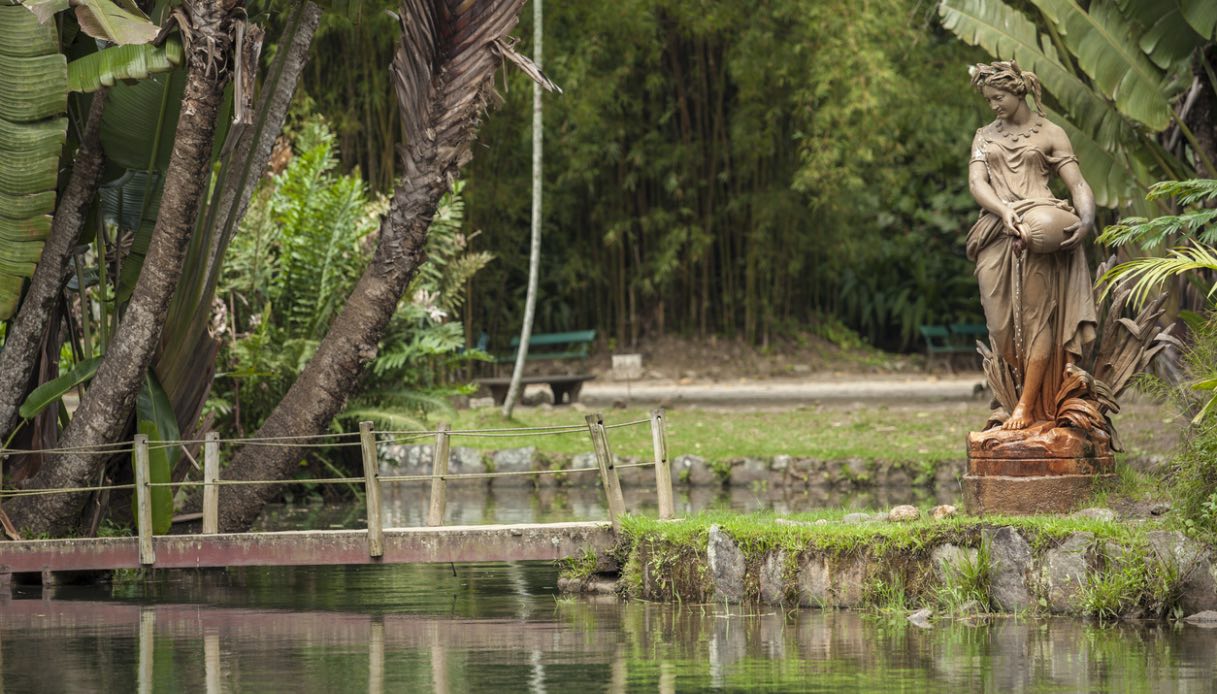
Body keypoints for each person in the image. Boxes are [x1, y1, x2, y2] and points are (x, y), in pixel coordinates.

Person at [966, 61, 1097, 430]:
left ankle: (1027, 406)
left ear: (1017, 91)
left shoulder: (1050, 132)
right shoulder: (983, 135)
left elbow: (1078, 185)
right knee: (1000, 323)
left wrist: (1085, 220)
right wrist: (1003, 209)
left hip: (1039, 227)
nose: (994, 105)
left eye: (999, 97)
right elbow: (977, 183)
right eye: (989, 99)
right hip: (996, 228)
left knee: (1036, 318)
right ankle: (1016, 396)